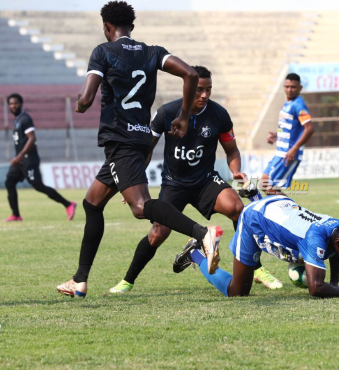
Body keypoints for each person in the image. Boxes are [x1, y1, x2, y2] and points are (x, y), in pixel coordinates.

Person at [56, 1, 222, 298]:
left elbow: (87, 96)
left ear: (107, 27)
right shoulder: (152, 52)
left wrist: (80, 104)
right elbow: (190, 74)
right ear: (131, 27)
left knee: (139, 207)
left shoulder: (102, 52)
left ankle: (202, 234)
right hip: (140, 137)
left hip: (120, 139)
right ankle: (79, 280)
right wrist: (183, 116)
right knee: (92, 203)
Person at [109, 65, 282, 293]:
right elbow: (146, 149)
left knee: (238, 209)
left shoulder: (219, 114)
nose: (204, 95)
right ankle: (127, 281)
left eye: (208, 90)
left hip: (206, 181)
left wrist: (236, 171)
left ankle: (257, 270)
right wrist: (132, 182)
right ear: (187, 87)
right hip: (174, 183)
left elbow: (232, 151)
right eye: (200, 89)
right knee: (158, 233)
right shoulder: (166, 113)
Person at [173, 192, 339, 298]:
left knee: (312, 253)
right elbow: (316, 288)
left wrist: (334, 285)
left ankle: (255, 194)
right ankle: (195, 254)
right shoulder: (315, 238)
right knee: (237, 292)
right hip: (253, 219)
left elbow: (334, 254)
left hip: (280, 204)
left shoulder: (337, 227)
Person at [4, 93, 77, 222]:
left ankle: (68, 204)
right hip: (20, 161)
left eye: (15, 103)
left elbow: (32, 139)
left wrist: (20, 156)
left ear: (21, 104)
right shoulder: (17, 120)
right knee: (9, 181)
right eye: (10, 104)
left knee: (38, 186)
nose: (13, 106)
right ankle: (16, 215)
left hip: (28, 160)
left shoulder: (25, 119)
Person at [262, 73, 314, 195]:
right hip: (280, 153)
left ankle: (295, 211)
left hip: (288, 155)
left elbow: (309, 129)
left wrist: (294, 148)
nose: (289, 90)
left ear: (300, 88)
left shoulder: (298, 105)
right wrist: (277, 136)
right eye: (287, 86)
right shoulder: (288, 103)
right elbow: (291, 128)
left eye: (293, 87)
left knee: (269, 188)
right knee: (264, 182)